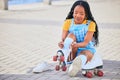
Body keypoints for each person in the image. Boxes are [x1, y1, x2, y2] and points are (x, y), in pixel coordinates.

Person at [58, 0, 103, 77]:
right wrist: (62, 43)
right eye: (75, 13)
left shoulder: (91, 24)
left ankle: (77, 64)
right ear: (72, 12)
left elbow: (85, 42)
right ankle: (65, 56)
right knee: (71, 35)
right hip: (72, 49)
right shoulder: (68, 22)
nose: (78, 15)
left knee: (85, 54)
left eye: (81, 14)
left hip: (86, 48)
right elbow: (63, 39)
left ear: (86, 14)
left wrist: (76, 45)